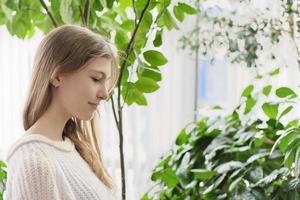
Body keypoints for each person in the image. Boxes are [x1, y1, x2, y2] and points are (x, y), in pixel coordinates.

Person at [4, 24, 119, 200]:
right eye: (96, 79)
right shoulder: (35, 162)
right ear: (57, 76)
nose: (104, 94)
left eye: (106, 83)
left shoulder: (69, 148)